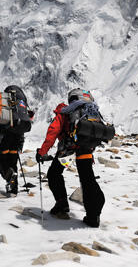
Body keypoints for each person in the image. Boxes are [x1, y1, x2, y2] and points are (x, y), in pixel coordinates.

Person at [36, 88, 105, 228]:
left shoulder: (65, 111)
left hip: (68, 150)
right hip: (86, 149)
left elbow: (53, 131)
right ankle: (93, 215)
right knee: (87, 179)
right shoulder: (90, 110)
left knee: (54, 174)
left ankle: (61, 205)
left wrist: (42, 152)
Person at [0, 85, 34, 196]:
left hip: (5, 136)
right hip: (18, 137)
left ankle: (9, 177)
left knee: (1, 159)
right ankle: (13, 189)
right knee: (13, 161)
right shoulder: (21, 107)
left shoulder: (0, 107)